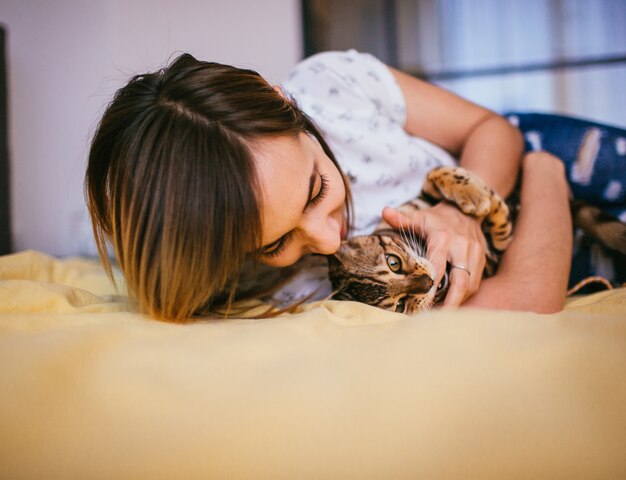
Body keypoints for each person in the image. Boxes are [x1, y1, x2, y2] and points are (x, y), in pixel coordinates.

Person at [85, 50, 580, 322]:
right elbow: (529, 300)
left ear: (282, 100)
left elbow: (492, 130)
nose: (327, 240)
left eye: (317, 189)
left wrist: (462, 209)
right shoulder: (291, 297)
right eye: (275, 243)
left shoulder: (334, 85)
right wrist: (545, 174)